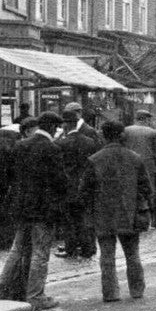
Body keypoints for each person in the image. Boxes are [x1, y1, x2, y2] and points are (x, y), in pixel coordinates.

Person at [0, 114, 65, 310]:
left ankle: (1, 289)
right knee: (40, 253)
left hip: (22, 206)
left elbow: (11, 176)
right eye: (57, 127)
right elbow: (59, 181)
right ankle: (35, 295)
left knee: (17, 249)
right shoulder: (52, 149)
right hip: (43, 209)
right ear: (51, 127)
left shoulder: (21, 145)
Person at [80, 121, 152, 301]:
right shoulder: (135, 158)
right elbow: (147, 188)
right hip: (130, 213)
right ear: (122, 135)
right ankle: (137, 290)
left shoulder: (94, 159)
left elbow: (84, 191)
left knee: (107, 256)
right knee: (132, 254)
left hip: (103, 214)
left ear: (103, 136)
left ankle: (111, 293)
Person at [56, 108, 101, 258]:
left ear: (65, 125)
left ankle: (71, 248)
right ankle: (88, 248)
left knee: (69, 220)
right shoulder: (89, 142)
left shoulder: (61, 144)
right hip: (86, 186)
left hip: (68, 188)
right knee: (85, 218)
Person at [124, 110, 156, 229]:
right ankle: (154, 220)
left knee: (131, 191)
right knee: (151, 191)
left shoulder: (127, 130)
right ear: (146, 119)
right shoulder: (152, 132)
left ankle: (130, 220)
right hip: (148, 165)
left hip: (130, 164)